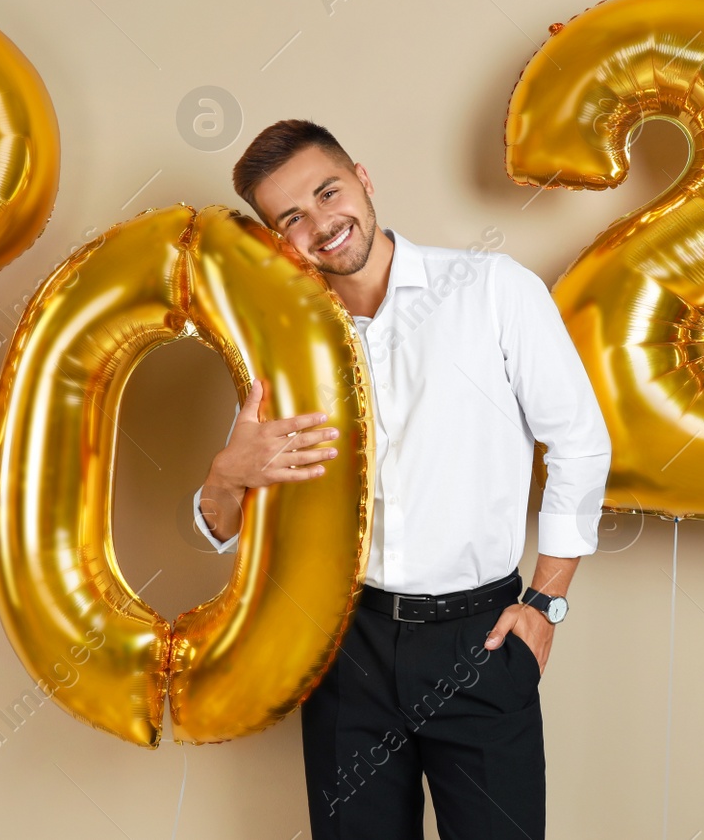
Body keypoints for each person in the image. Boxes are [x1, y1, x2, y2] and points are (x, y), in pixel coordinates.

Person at [192, 119, 610, 839]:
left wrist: (547, 602)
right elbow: (224, 523)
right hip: (342, 649)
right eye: (292, 217)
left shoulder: (490, 290)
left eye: (329, 192)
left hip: (478, 644)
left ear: (363, 178)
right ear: (276, 240)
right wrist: (227, 475)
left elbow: (579, 440)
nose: (322, 224)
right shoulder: (283, 352)